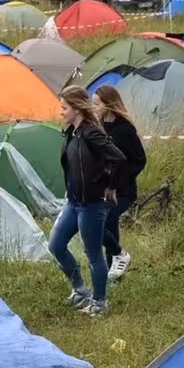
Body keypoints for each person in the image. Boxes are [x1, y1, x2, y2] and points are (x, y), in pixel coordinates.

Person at [51, 86, 127, 316]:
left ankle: (99, 302)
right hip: (74, 202)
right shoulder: (71, 132)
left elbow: (119, 159)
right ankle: (81, 290)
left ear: (76, 108)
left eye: (64, 108)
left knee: (93, 254)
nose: (61, 112)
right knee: (56, 245)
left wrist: (111, 186)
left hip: (92, 204)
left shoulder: (91, 133)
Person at [93, 84, 148, 281]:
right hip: (102, 189)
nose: (94, 108)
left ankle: (119, 256)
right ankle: (113, 271)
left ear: (108, 104)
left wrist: (120, 182)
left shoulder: (125, 130)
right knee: (110, 226)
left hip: (123, 191)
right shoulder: (98, 127)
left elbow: (140, 160)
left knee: (103, 223)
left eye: (97, 104)